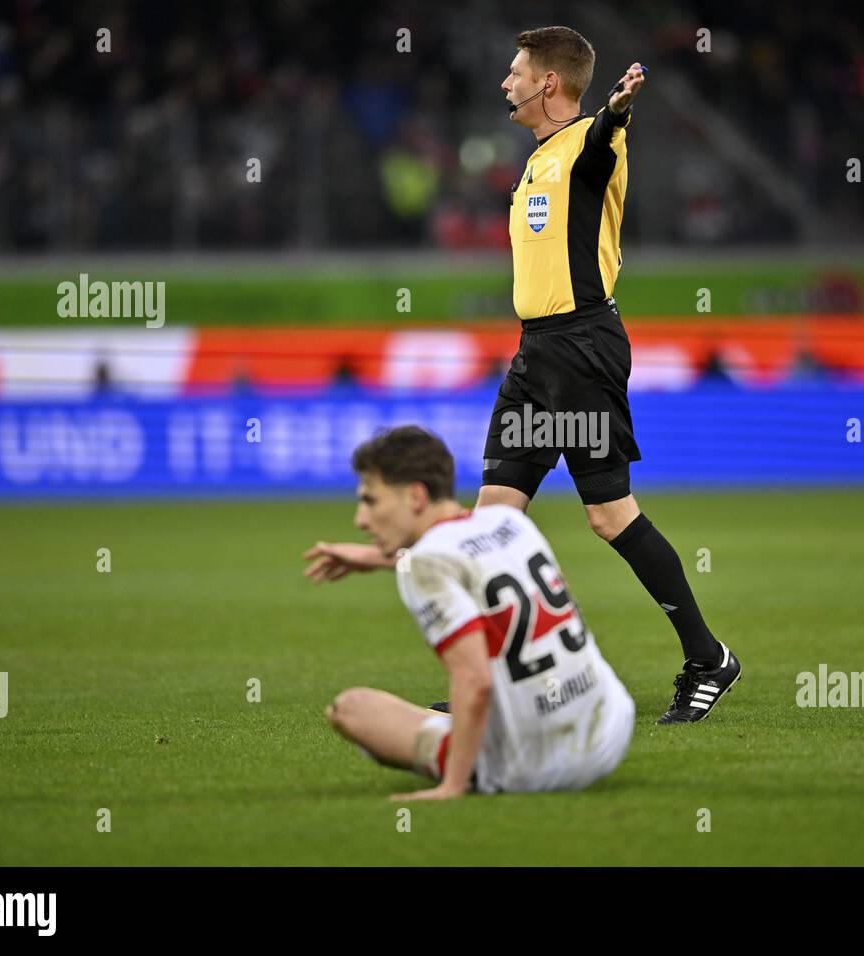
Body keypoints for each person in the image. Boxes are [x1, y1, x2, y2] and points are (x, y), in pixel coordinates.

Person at [308, 26, 740, 724]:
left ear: (548, 83)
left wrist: (617, 110)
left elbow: (602, 141)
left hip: (583, 348)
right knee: (492, 524)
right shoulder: (537, 160)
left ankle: (708, 658)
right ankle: (491, 682)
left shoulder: (590, 148)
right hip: (536, 356)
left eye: (516, 72)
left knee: (607, 515)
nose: (505, 82)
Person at [306, 425, 635, 799]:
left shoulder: (425, 564)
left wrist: (452, 787)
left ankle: (463, 761)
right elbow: (467, 559)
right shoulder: (509, 522)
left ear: (415, 496)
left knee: (352, 708)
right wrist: (375, 557)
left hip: (535, 763)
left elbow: (474, 681)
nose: (361, 519)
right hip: (610, 727)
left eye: (371, 500)